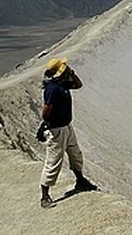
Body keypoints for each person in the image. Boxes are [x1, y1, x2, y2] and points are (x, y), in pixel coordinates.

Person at [39, 57, 97, 208]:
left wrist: (72, 72)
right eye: (65, 70)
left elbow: (78, 84)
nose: (67, 71)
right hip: (57, 131)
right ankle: (45, 197)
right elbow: (46, 113)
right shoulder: (53, 89)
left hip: (67, 127)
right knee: (53, 162)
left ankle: (80, 180)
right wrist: (48, 124)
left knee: (75, 154)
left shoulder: (62, 84)